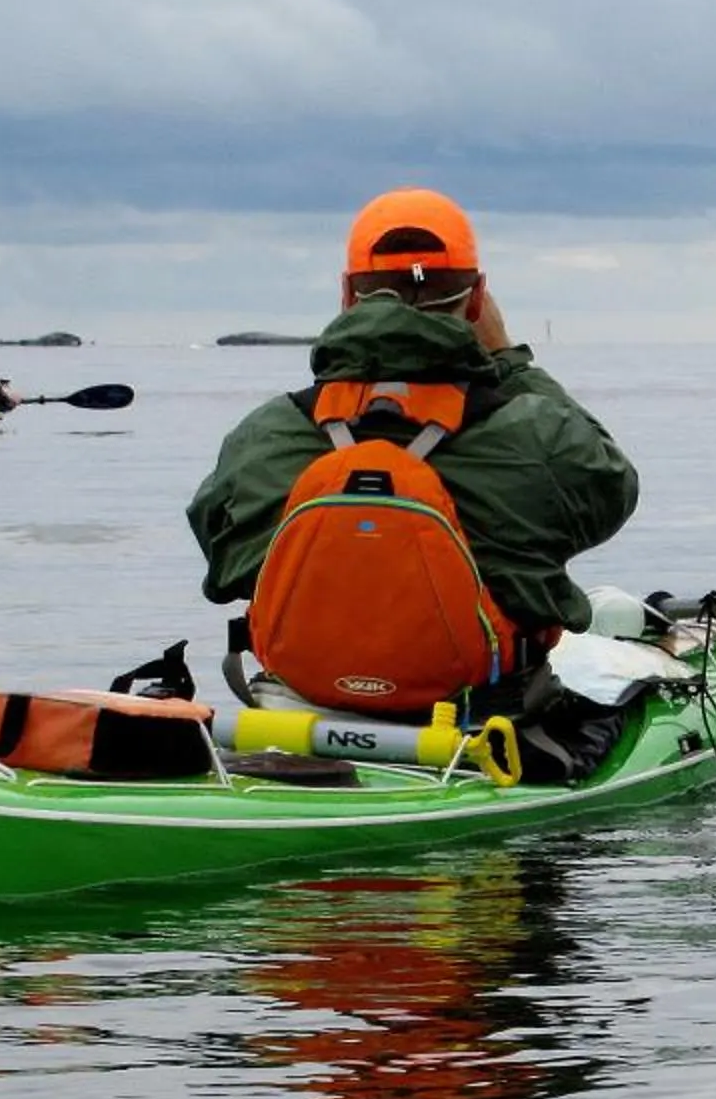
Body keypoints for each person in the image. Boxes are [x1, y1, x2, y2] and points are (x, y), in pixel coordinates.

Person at [185, 188, 638, 715]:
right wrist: (509, 360)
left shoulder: (264, 435)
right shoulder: (538, 434)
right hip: (487, 712)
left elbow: (223, 572)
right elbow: (612, 490)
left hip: (297, 712)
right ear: (476, 300)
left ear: (347, 296)